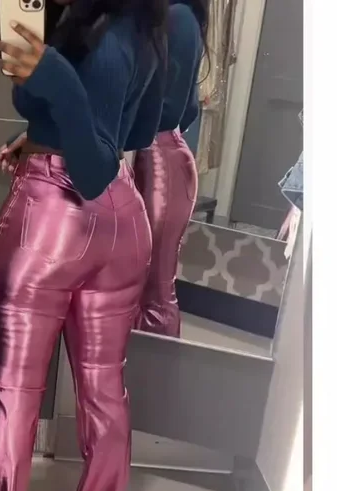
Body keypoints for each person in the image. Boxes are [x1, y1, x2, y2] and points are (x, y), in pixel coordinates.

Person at [0, 0, 168, 491]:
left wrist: (55, 79)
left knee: (12, 400)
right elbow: (131, 134)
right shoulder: (149, 22)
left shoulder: (102, 29)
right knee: (104, 388)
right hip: (123, 224)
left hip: (52, 219)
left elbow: (90, 169)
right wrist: (41, 131)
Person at [132, 0, 208, 337]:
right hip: (152, 156)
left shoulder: (178, 17)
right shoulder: (174, 17)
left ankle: (152, 367)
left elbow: (174, 109)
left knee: (154, 291)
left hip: (160, 163)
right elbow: (186, 108)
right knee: (142, 285)